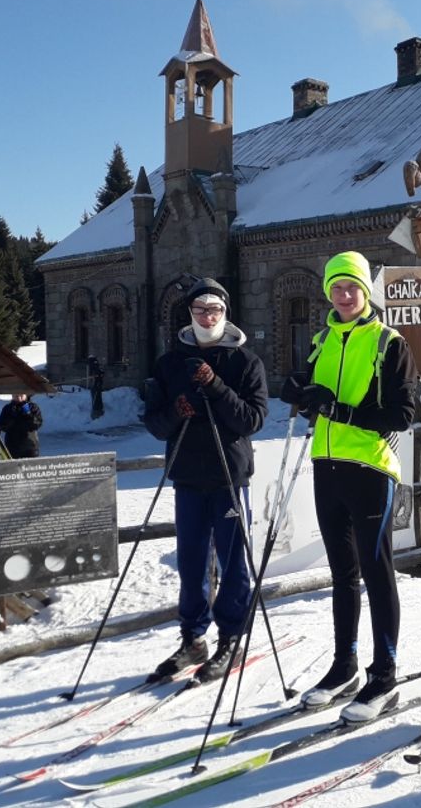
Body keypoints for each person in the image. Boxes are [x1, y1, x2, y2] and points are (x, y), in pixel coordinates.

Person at [280, 251, 418, 722]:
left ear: (365, 292)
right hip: (327, 465)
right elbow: (317, 399)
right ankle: (345, 666)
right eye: (336, 288)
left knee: (377, 571)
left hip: (370, 469)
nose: (344, 295)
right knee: (342, 574)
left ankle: (385, 675)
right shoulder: (321, 341)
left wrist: (340, 411)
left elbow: (403, 414)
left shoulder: (387, 342)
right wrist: (300, 392)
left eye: (352, 288)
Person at [143, 277, 268, 684]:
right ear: (190, 314)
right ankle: (193, 638)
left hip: (229, 477)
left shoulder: (245, 362)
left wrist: (215, 386)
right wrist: (177, 410)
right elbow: (156, 426)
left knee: (232, 561)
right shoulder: (169, 363)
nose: (207, 316)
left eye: (214, 309)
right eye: (200, 310)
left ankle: (231, 637)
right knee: (191, 561)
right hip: (187, 476)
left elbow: (252, 419)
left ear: (225, 313)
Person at [0, 394, 42, 458]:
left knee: (31, 467)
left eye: (21, 395)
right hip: (12, 447)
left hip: (30, 446)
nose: (19, 397)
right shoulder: (8, 408)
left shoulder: (32, 407)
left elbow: (36, 424)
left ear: (26, 395)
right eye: (16, 395)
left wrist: (28, 414)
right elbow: (2, 426)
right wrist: (12, 418)